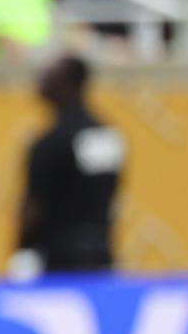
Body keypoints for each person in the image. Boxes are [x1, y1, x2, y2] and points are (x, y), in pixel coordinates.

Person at [13, 54, 123, 278]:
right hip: (101, 254)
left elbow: (34, 206)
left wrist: (22, 251)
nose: (40, 80)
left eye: (49, 75)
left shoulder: (52, 142)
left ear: (70, 83)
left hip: (59, 261)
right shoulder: (107, 135)